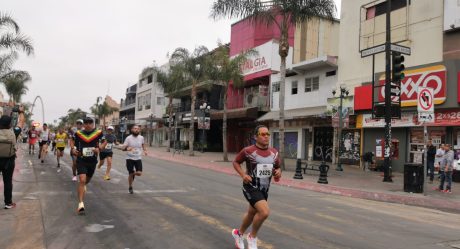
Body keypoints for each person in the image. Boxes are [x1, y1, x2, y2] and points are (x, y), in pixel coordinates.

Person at [231, 125, 281, 249]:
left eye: (267, 134)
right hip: (250, 186)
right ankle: (252, 237)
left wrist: (278, 173)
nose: (266, 136)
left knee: (251, 213)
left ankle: (238, 234)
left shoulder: (274, 152)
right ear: (255, 136)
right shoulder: (248, 151)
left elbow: (277, 168)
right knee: (264, 212)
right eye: (262, 134)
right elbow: (236, 162)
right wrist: (243, 175)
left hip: (264, 189)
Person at [71, 117, 104, 214]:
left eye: (90, 122)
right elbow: (72, 140)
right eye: (86, 123)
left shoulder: (98, 133)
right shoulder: (78, 133)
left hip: (92, 161)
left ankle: (83, 186)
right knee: (82, 179)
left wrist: (100, 148)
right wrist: (73, 149)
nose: (88, 124)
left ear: (93, 124)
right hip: (81, 159)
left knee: (86, 181)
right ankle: (80, 203)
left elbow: (104, 142)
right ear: (83, 124)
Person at [121, 125, 147, 194]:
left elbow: (143, 144)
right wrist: (126, 148)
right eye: (135, 129)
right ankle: (130, 186)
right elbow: (123, 148)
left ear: (139, 130)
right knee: (130, 173)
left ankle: (133, 173)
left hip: (138, 158)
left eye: (138, 129)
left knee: (139, 173)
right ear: (132, 130)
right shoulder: (128, 138)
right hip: (129, 158)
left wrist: (145, 150)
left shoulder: (141, 137)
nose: (136, 130)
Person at [0, 115, 17, 209]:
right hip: (9, 161)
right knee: (7, 181)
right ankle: (8, 203)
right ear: (9, 124)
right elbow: (15, 147)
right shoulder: (11, 134)